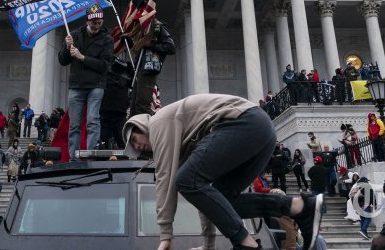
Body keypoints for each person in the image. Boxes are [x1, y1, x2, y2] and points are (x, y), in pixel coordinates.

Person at [122, 94, 324, 250]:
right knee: (222, 199)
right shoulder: (184, 141)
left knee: (184, 180)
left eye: (134, 140)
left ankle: (245, 243)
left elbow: (165, 181)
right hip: (261, 130)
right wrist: (208, 245)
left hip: (245, 123)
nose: (137, 147)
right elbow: (208, 201)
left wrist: (165, 236)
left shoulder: (158, 123)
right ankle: (298, 206)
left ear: (141, 126)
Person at [58, 5, 113, 159]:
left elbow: (104, 65)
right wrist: (67, 47)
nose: (97, 25)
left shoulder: (107, 39)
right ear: (87, 21)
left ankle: (90, 155)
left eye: (99, 22)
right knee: (74, 124)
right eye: (94, 22)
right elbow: (63, 60)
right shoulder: (75, 35)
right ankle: (73, 158)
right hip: (77, 86)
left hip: (96, 85)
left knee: (92, 121)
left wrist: (82, 57)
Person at [129, 19, 175, 116]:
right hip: (139, 70)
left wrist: (151, 45)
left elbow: (170, 47)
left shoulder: (157, 27)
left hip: (149, 70)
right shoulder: (142, 28)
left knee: (142, 106)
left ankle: (150, 129)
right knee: (134, 108)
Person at [100, 58, 132, 149]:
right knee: (105, 143)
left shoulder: (127, 74)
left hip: (116, 112)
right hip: (109, 111)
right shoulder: (107, 71)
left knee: (120, 142)